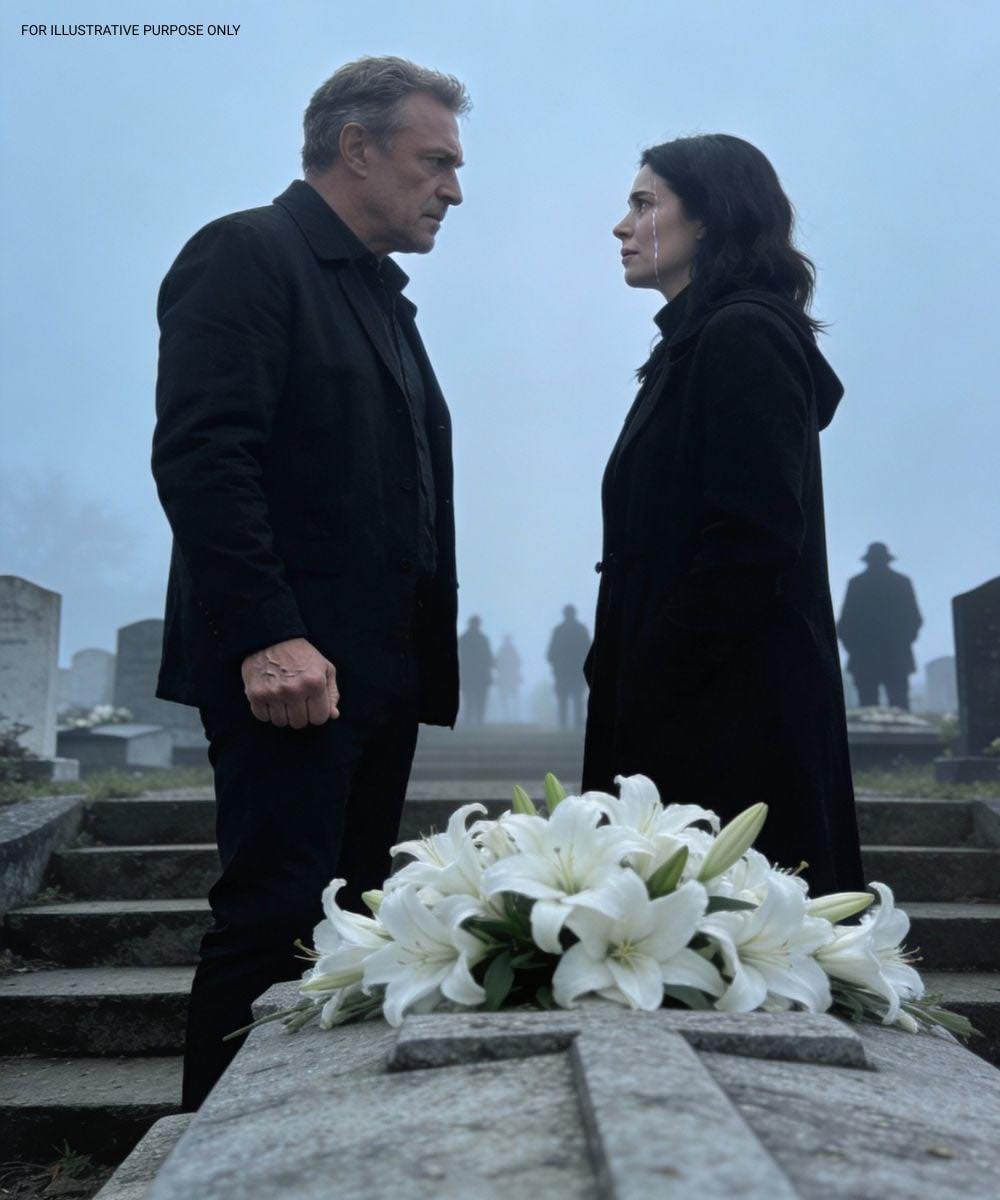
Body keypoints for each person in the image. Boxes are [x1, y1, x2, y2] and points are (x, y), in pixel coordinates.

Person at [151, 56, 469, 1111]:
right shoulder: (247, 253)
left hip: (371, 678)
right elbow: (205, 456)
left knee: (346, 930)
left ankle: (310, 1145)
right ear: (356, 147)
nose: (452, 189)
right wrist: (265, 635)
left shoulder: (378, 295)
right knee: (273, 921)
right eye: (435, 161)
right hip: (289, 672)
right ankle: (213, 1157)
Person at [582, 134, 864, 897]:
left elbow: (754, 536)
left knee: (722, 924)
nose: (622, 225)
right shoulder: (695, 341)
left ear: (708, 218)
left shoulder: (742, 335)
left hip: (726, 709)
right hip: (695, 691)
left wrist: (655, 667)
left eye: (644, 203)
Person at [837, 543, 922, 709]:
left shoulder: (857, 584)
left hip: (865, 657)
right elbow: (914, 619)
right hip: (894, 656)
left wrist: (854, 648)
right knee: (899, 707)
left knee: (869, 708)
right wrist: (902, 642)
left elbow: (845, 624)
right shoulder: (901, 583)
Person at [546, 604, 591, 730]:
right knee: (576, 699)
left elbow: (550, 653)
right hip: (576, 671)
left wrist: (556, 665)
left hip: (564, 672)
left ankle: (564, 724)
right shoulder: (581, 630)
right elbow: (588, 650)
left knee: (564, 699)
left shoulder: (559, 630)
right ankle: (575, 724)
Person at [457, 615, 494, 725]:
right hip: (471, 673)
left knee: (478, 698)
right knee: (471, 698)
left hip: (475, 673)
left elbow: (488, 656)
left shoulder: (466, 638)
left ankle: (477, 720)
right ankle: (472, 719)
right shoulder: (467, 639)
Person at [494, 634, 523, 721]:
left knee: (511, 697)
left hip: (509, 677)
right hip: (507, 677)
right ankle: (508, 715)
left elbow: (518, 662)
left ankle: (512, 714)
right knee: (507, 697)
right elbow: (496, 663)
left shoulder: (505, 650)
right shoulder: (508, 650)